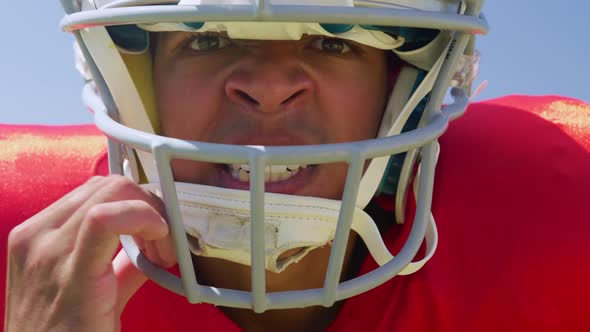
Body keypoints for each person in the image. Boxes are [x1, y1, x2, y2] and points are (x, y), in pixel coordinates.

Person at [2, 0, 590, 331]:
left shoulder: (562, 205)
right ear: (136, 84)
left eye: (334, 41)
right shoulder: (23, 229)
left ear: (399, 87)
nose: (268, 86)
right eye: (205, 40)